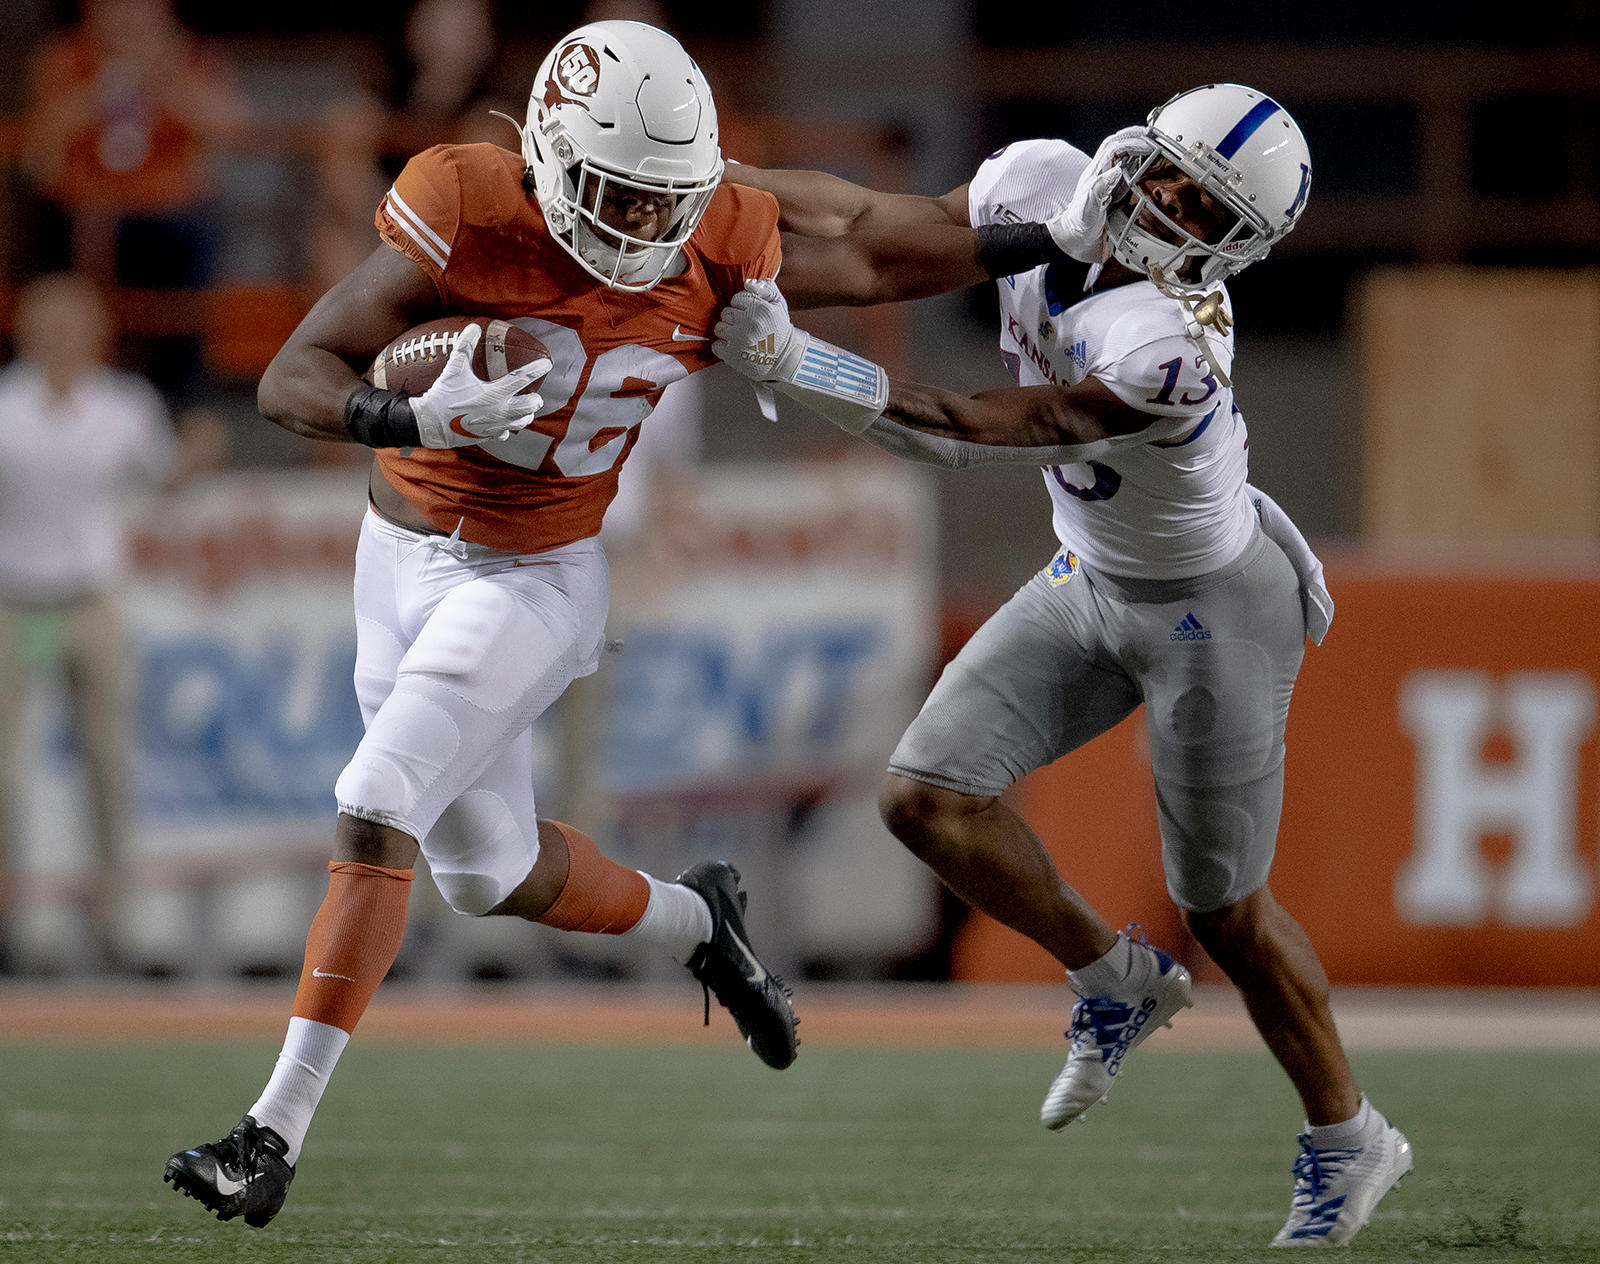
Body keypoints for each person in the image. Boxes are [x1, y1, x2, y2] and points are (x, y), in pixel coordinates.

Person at [713, 84, 1412, 1248]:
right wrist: (713, 187)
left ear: (1235, 249)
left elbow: (978, 427)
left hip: (1210, 613)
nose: (1171, 205)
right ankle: (1114, 977)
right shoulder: (1044, 177)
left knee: (1223, 911)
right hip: (1090, 576)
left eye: (1207, 209)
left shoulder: (1170, 345)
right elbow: (871, 221)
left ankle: (1350, 1135)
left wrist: (803, 367)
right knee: (924, 798)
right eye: (1173, 172)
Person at [157, 20, 829, 1232]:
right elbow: (289, 375)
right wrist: (406, 418)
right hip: (394, 556)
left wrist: (827, 347)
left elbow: (879, 238)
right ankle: (701, 920)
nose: (640, 221)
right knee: (487, 874)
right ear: (547, 160)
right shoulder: (467, 202)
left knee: (377, 798)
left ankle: (271, 1131)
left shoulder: (726, 236)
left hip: (535, 575)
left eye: (663, 196)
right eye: (614, 190)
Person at [0, 272, 224, 973]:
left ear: (97, 334)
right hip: (15, 598)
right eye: (49, 325)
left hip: (91, 598)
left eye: (73, 325)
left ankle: (114, 925)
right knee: (4, 770)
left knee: (107, 762)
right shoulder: (7, 405)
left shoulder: (123, 405)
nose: (61, 338)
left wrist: (198, 454)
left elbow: (163, 478)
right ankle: (9, 923)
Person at [21, 0, 247, 401]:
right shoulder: (65, 57)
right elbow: (37, 145)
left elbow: (232, 127)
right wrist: (102, 89)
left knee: (196, 246)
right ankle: (76, 387)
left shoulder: (188, 57)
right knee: (56, 243)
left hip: (169, 212)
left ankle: (183, 397)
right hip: (84, 209)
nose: (126, 15)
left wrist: (163, 82)